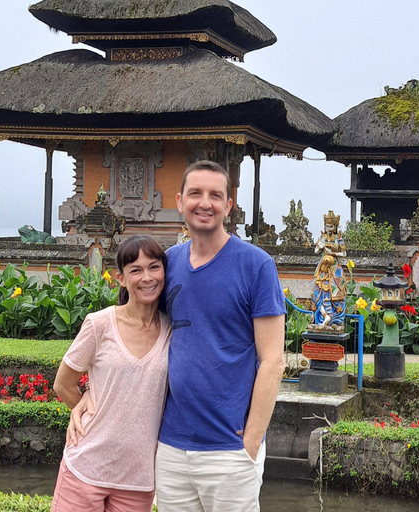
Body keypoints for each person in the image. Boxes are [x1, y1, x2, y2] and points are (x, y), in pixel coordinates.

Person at [156, 160, 285, 511]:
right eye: (195, 193)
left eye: (216, 195)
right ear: (180, 201)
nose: (205, 203)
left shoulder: (256, 266)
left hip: (230, 448)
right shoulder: (167, 264)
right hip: (171, 446)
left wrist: (252, 440)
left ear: (229, 205)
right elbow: (138, 333)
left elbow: (273, 359)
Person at [51, 235, 170, 512]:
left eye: (154, 267)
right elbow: (63, 383)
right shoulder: (100, 324)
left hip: (138, 478)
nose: (147, 277)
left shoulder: (172, 330)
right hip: (86, 466)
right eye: (136, 270)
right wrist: (84, 401)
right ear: (121, 278)